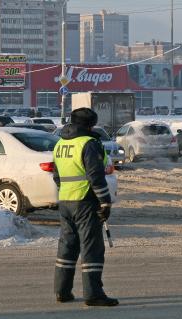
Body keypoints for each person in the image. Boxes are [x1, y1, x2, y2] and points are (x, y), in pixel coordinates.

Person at [53, 107, 118, 307]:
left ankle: (62, 291)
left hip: (65, 201)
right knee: (92, 248)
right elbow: (96, 177)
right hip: (86, 202)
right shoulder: (89, 143)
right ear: (90, 124)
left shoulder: (61, 143)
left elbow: (56, 177)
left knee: (67, 246)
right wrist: (105, 202)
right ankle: (93, 294)